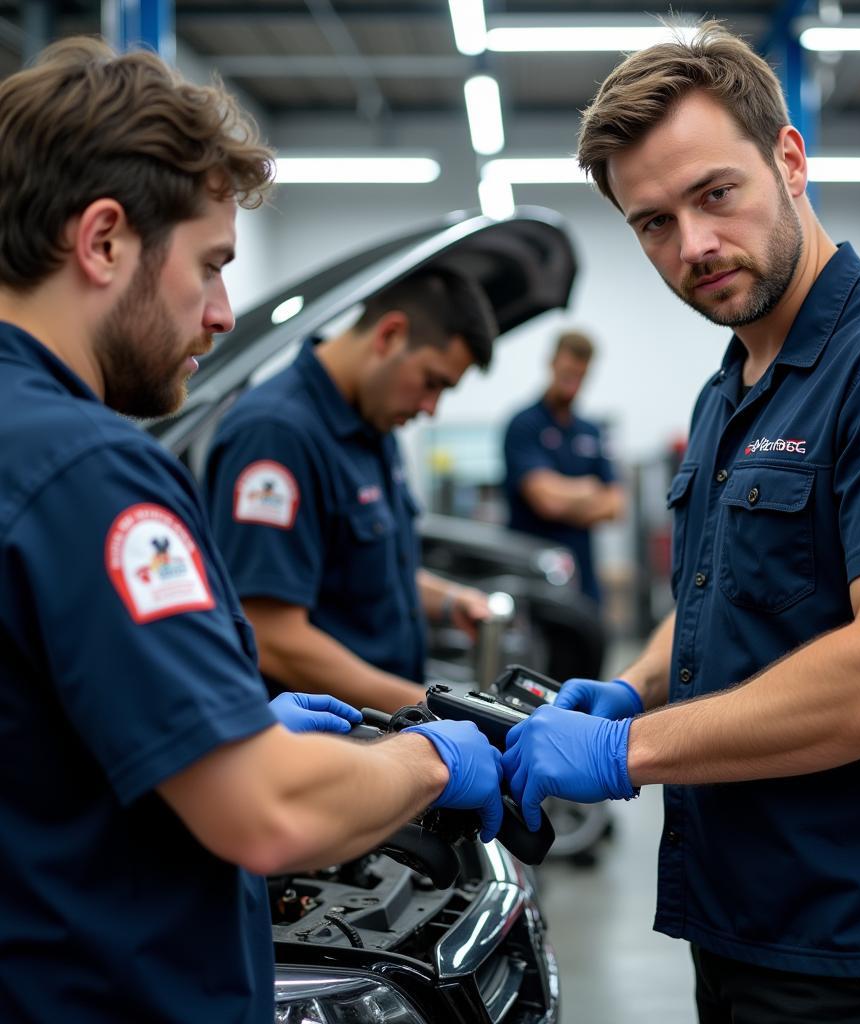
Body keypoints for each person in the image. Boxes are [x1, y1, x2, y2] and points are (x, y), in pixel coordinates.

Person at [501, 20, 860, 1023]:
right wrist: (631, 682)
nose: (691, 245)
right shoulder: (729, 389)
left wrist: (625, 751)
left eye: (713, 194)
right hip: (742, 917)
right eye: (651, 222)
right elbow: (724, 596)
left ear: (788, 159)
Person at [0, 39, 503, 1023]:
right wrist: (435, 755)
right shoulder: (90, 471)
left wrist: (235, 729)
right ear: (103, 242)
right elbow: (269, 814)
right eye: (211, 265)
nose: (225, 313)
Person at [203, 270, 497, 713]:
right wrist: (434, 707)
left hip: (381, 731)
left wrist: (449, 600)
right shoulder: (276, 434)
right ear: (390, 335)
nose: (430, 409)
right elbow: (271, 634)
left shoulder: (372, 424)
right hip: (318, 745)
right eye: (432, 382)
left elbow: (361, 567)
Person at [502, 330, 624, 605]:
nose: (573, 383)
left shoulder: (591, 431)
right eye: (568, 372)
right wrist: (590, 488)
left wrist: (565, 496)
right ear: (552, 363)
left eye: (580, 376)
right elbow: (546, 501)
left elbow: (616, 505)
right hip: (534, 581)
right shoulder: (524, 425)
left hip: (583, 582)